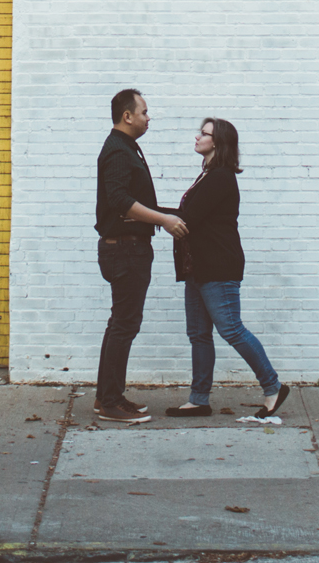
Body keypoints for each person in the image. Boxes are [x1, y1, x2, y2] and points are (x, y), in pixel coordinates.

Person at [165, 117, 291, 419]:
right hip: (199, 267)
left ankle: (273, 387)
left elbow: (189, 218)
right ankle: (199, 400)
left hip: (218, 267)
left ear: (217, 143)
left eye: (204, 134)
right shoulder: (207, 175)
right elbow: (188, 216)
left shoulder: (220, 176)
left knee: (232, 329)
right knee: (198, 333)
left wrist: (146, 213)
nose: (197, 137)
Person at [94, 87, 187, 424]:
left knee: (120, 323)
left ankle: (109, 396)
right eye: (144, 112)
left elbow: (132, 201)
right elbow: (118, 199)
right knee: (124, 324)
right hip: (126, 250)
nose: (149, 118)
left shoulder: (125, 147)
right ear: (127, 115)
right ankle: (109, 403)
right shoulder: (119, 151)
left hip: (128, 248)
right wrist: (164, 220)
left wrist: (174, 212)